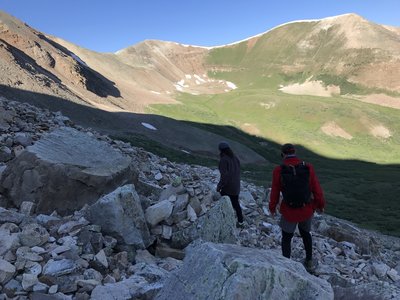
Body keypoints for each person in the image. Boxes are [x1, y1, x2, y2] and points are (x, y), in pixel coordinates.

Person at [269, 143, 325, 272]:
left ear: (283, 154)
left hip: (289, 210)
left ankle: (286, 264)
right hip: (306, 209)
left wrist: (272, 207)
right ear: (295, 152)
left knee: (287, 238)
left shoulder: (279, 170)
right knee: (306, 234)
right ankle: (309, 261)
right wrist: (320, 205)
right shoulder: (307, 167)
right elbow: (317, 189)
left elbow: (275, 191)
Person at [216, 141, 244, 227]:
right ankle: (240, 221)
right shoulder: (235, 158)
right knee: (236, 203)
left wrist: (219, 186)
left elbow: (224, 176)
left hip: (228, 187)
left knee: (225, 203)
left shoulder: (224, 160)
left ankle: (225, 221)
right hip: (236, 186)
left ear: (221, 150)